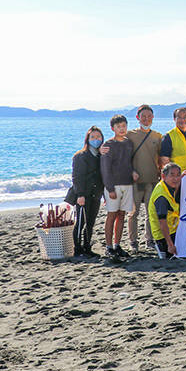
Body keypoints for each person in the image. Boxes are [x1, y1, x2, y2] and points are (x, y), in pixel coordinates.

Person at [125, 104, 162, 253]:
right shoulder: (130, 135)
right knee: (133, 213)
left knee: (150, 212)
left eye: (149, 116)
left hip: (152, 179)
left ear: (153, 118)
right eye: (143, 116)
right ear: (137, 118)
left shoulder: (158, 136)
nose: (146, 119)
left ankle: (149, 240)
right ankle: (133, 241)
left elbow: (161, 159)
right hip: (135, 181)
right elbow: (123, 157)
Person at [101, 114, 137, 260]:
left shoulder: (129, 143)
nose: (122, 129)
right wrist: (109, 189)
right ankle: (108, 246)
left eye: (124, 126)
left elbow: (129, 162)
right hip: (113, 186)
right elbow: (105, 168)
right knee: (111, 215)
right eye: (118, 127)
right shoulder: (108, 145)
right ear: (112, 128)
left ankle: (117, 245)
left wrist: (133, 172)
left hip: (127, 184)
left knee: (122, 215)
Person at [68, 126, 104, 258]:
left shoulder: (101, 156)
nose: (96, 139)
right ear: (87, 139)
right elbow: (77, 177)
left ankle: (87, 247)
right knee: (81, 222)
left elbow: (103, 176)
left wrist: (104, 194)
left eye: (98, 137)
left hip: (96, 194)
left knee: (91, 222)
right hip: (83, 194)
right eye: (93, 137)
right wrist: (80, 195)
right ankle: (77, 249)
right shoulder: (80, 156)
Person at [148, 163, 182, 259]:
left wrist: (183, 177)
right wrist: (170, 245)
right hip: (164, 236)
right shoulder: (161, 196)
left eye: (178, 175)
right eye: (172, 175)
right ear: (163, 176)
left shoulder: (167, 186)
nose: (175, 178)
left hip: (174, 228)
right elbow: (162, 223)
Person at [160, 107, 186, 174]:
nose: (182, 120)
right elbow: (165, 160)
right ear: (174, 119)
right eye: (179, 117)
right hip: (178, 178)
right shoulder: (168, 136)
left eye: (185, 117)